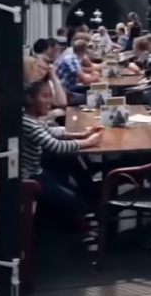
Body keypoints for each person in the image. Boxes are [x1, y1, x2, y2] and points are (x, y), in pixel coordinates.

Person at [20, 79, 104, 227]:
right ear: (29, 98)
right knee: (73, 201)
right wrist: (88, 142)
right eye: (45, 96)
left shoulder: (31, 119)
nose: (49, 101)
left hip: (37, 170)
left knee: (75, 188)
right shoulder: (27, 122)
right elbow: (56, 146)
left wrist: (83, 133)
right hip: (28, 177)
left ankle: (92, 198)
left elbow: (52, 131)